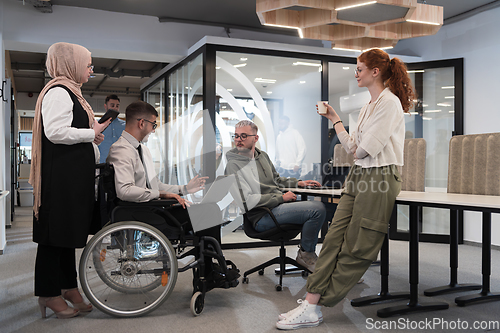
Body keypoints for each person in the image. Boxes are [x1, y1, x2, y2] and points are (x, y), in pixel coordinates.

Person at [276, 48, 416, 330]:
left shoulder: (389, 104)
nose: (356, 74)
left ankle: (316, 303)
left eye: (359, 69)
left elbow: (364, 150)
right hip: (359, 175)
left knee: (357, 246)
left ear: (375, 72)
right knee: (333, 239)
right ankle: (311, 302)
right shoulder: (367, 107)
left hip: (380, 176)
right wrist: (335, 119)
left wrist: (357, 149)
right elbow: (352, 149)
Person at [106, 100, 239, 289]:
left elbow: (155, 184)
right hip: (141, 213)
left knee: (208, 211)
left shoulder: (141, 149)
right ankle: (209, 272)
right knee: (208, 213)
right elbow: (125, 191)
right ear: (141, 123)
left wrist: (184, 188)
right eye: (153, 124)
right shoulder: (121, 150)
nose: (153, 130)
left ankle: (209, 269)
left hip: (151, 207)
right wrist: (162, 195)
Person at [30, 42, 111, 319]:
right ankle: (48, 293)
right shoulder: (58, 92)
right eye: (88, 64)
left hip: (70, 178)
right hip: (60, 179)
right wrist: (91, 133)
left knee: (65, 235)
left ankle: (67, 287)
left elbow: (70, 132)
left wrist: (92, 135)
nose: (91, 69)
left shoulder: (72, 93)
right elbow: (55, 132)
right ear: (71, 63)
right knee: (54, 238)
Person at [225, 120, 326, 271]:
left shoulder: (262, 156)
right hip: (262, 216)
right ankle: (306, 255)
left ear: (255, 138)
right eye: (236, 136)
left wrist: (298, 183)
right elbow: (246, 201)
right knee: (316, 209)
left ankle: (310, 254)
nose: (239, 140)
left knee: (319, 209)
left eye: (244, 136)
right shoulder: (233, 166)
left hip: (278, 208)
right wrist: (280, 198)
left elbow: (277, 180)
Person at [98, 94, 126, 163]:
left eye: (117, 106)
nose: (115, 108)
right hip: (102, 163)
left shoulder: (125, 125)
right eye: (112, 105)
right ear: (105, 106)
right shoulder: (98, 124)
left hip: (120, 163)